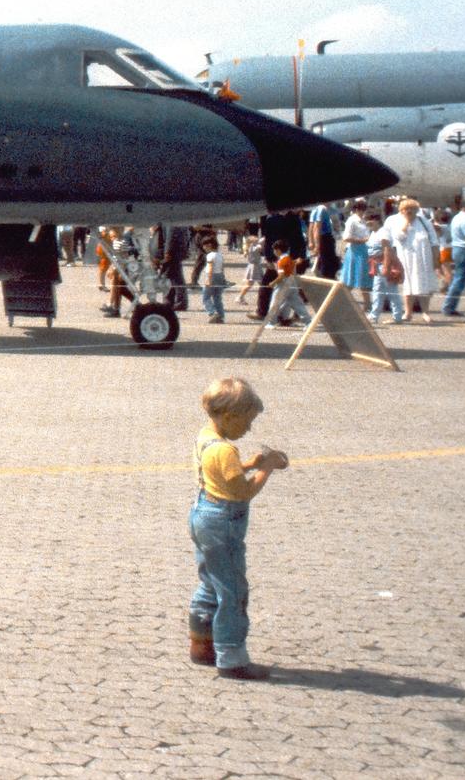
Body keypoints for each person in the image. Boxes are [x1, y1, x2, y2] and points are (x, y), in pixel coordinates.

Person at [187, 377, 287, 680]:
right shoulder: (225, 451)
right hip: (223, 521)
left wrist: (250, 463)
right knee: (233, 590)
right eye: (246, 422)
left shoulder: (205, 438)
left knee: (209, 581)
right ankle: (231, 657)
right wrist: (266, 468)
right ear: (229, 416)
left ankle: (201, 644)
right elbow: (242, 492)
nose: (248, 429)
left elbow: (221, 473)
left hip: (202, 514)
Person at [390, 198, 440, 322]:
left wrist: (436, 258)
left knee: (424, 285)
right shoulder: (397, 222)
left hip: (424, 259)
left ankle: (425, 313)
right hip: (407, 259)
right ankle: (408, 313)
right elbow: (398, 238)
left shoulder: (424, 222)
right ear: (401, 210)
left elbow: (434, 240)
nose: (409, 211)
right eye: (406, 209)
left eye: (412, 208)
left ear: (417, 210)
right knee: (408, 285)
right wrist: (406, 223)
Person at [365, 211, 404, 323]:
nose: (367, 223)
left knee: (391, 291)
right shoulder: (374, 232)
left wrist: (386, 267)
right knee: (377, 291)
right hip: (376, 264)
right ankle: (374, 315)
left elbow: (387, 249)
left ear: (376, 220)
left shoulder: (383, 232)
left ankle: (397, 317)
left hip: (384, 263)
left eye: (370, 220)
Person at [338, 200, 373, 304]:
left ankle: (367, 304)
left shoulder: (363, 220)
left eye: (364, 209)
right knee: (352, 277)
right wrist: (362, 241)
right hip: (355, 250)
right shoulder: (352, 220)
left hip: (364, 251)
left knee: (364, 277)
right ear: (357, 209)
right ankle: (340, 299)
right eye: (362, 209)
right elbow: (346, 237)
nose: (364, 211)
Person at [443, 201, 465, 318]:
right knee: (459, 280)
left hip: (458, 249)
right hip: (464, 250)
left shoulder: (456, 217)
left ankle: (449, 307)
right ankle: (448, 307)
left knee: (462, 278)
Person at [199, 235, 227, 323]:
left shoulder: (210, 256)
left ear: (209, 245)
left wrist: (208, 279)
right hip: (219, 276)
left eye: (204, 245)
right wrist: (223, 278)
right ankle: (221, 315)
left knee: (206, 297)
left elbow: (210, 267)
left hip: (211, 276)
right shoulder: (220, 255)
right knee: (217, 298)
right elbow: (222, 267)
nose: (203, 248)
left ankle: (212, 313)